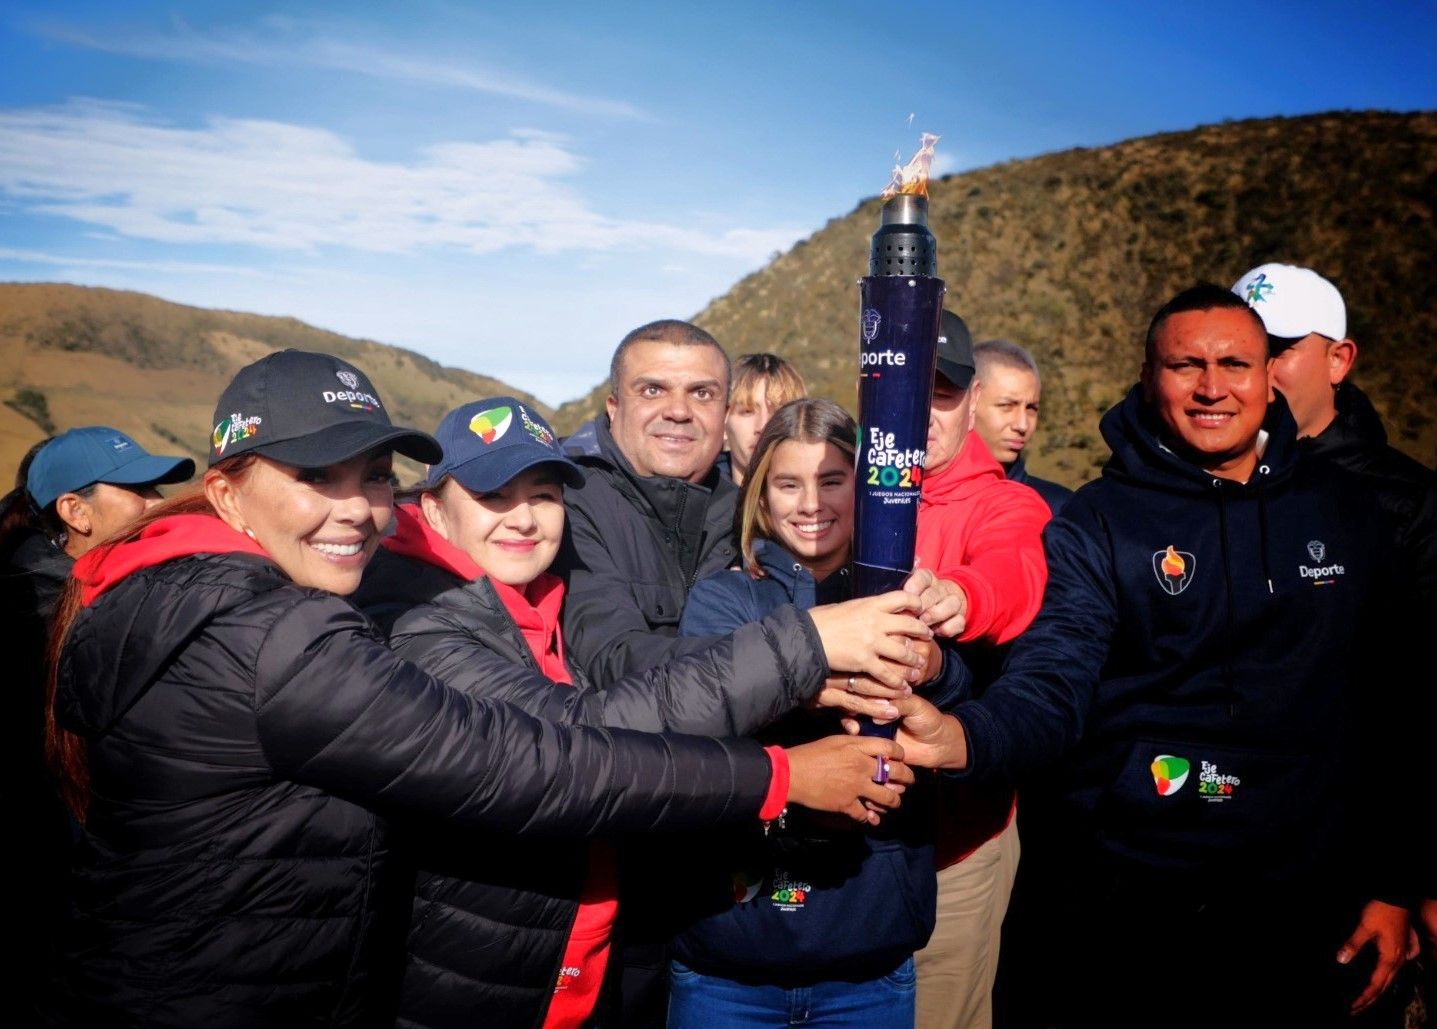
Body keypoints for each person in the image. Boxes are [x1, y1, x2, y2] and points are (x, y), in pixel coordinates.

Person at [38, 350, 913, 1028]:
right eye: (315, 478)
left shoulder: (226, 593)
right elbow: (537, 760)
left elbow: (639, 672)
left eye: (372, 475)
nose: (353, 507)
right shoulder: (298, 630)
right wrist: (784, 753)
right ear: (227, 491)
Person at [880, 285, 1417, 1026]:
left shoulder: (1345, 509)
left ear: (1267, 378)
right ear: (1145, 377)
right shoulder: (1098, 520)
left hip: (1304, 897)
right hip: (1126, 895)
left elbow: (1389, 698)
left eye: (1234, 363)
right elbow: (1054, 677)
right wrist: (966, 736)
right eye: (1184, 365)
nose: (1210, 387)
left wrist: (1392, 881)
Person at [354, 396, 934, 1028]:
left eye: (543, 495)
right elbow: (577, 742)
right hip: (482, 979)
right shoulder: (420, 625)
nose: (522, 518)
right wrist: (803, 667)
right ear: (434, 508)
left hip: (580, 967)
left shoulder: (550, 608)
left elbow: (643, 679)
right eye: (494, 496)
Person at [669, 398, 971, 1028]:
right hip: (731, 962)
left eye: (833, 481)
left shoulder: (906, 592)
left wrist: (935, 667)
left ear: (864, 488)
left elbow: (959, 705)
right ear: (759, 494)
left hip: (868, 958)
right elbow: (706, 726)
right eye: (788, 483)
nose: (811, 504)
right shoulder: (722, 598)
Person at [1233, 261, 1437, 1002]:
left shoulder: (1406, 503)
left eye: (1279, 345)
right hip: (1203, 866)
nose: (1254, 368)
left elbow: (1417, 703)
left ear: (1339, 359)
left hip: (1342, 876)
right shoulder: (1181, 490)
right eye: (1241, 345)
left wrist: (1399, 882)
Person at [0, 428, 193, 1009]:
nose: (157, 502)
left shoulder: (90, 595)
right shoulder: (44, 613)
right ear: (75, 511)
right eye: (136, 488)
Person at [909, 310, 1051, 1029]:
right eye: (903, 386)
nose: (921, 408)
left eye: (941, 391)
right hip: (838, 850)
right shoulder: (830, 489)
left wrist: (959, 595)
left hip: (954, 845)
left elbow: (1012, 573)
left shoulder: (1005, 502)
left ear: (967, 402)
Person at [971, 339, 1072, 514]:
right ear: (969, 403)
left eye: (1031, 409)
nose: (1022, 425)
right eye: (1006, 406)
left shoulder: (1059, 509)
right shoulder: (917, 496)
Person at [720, 352, 806, 485]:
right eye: (747, 411)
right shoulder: (693, 502)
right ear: (724, 426)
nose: (763, 426)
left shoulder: (822, 503)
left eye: (777, 413)